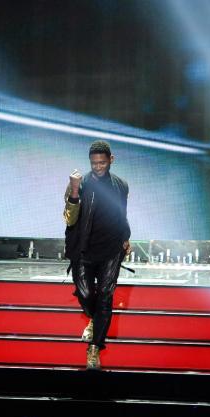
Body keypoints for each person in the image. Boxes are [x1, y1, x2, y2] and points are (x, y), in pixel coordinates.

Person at [62, 140, 131, 370]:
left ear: (111, 160)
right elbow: (69, 219)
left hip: (111, 249)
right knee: (84, 292)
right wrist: (74, 189)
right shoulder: (80, 185)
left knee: (105, 297)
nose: (98, 167)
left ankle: (94, 348)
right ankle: (94, 318)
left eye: (102, 162)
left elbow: (122, 215)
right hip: (83, 249)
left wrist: (125, 237)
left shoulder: (121, 186)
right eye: (94, 163)